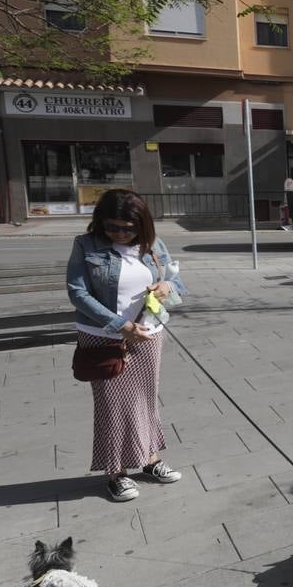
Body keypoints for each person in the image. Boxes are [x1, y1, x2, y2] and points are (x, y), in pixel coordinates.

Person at [67, 189, 187, 502]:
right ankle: (115, 472)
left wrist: (166, 286)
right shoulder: (86, 245)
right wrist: (122, 326)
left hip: (149, 333)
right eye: (112, 227)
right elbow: (78, 294)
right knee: (111, 405)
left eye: (128, 228)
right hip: (104, 336)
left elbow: (179, 285)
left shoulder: (153, 244)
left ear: (142, 224)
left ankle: (149, 459)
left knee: (146, 399)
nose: (120, 233)